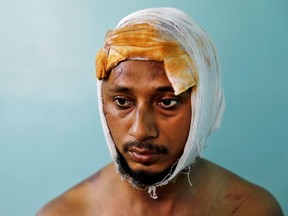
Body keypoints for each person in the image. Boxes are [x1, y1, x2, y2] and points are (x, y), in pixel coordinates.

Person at [37, 8, 283, 215]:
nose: (141, 130)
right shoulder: (65, 213)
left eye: (167, 103)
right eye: (123, 102)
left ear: (204, 105)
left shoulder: (251, 209)